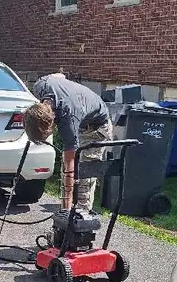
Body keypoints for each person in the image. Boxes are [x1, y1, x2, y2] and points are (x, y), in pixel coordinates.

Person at [23, 73, 113, 211]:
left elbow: (69, 171)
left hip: (97, 129)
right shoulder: (41, 85)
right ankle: (68, 211)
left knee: (83, 177)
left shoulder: (68, 121)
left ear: (51, 124)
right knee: (67, 170)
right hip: (81, 117)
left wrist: (65, 211)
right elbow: (59, 75)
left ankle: (82, 218)